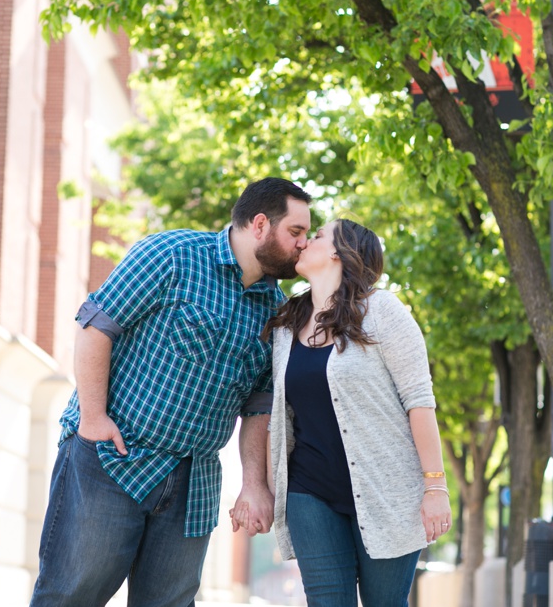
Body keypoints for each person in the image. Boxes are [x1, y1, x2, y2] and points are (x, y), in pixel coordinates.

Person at [29, 178, 312, 607]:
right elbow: (95, 326)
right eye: (296, 232)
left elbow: (258, 407)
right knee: (70, 596)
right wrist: (92, 418)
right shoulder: (171, 255)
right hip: (111, 459)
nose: (303, 245)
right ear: (259, 225)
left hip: (192, 484)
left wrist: (254, 483)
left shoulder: (276, 311)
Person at [238, 219, 451, 607]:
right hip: (309, 491)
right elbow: (274, 412)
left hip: (387, 493)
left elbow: (419, 401)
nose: (305, 242)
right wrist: (260, 487)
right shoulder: (287, 324)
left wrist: (435, 486)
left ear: (339, 252)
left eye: (317, 236)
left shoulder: (382, 311)